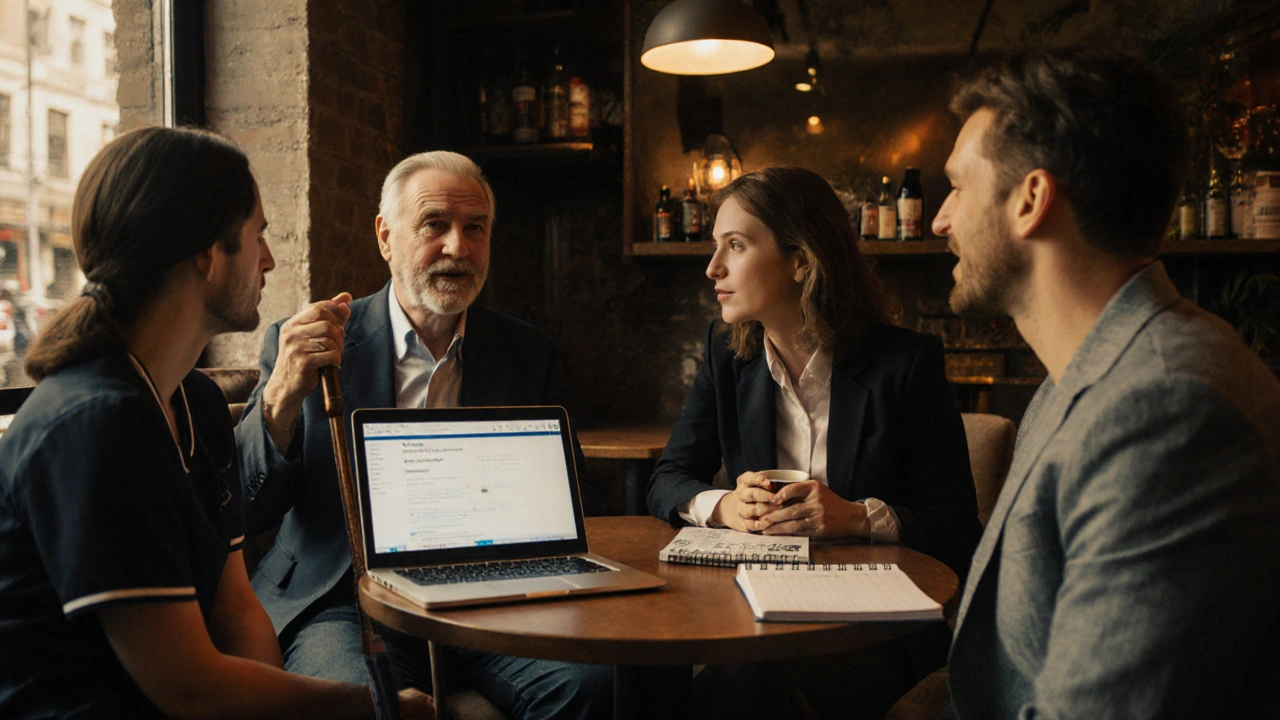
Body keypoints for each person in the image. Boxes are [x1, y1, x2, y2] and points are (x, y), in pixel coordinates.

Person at [0, 127, 432, 718]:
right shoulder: (96, 424)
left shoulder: (195, 401)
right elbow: (190, 688)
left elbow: (235, 610)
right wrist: (374, 708)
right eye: (257, 236)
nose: (270, 260)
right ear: (207, 255)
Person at [934, 47, 1280, 719]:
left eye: (957, 186)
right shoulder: (1078, 380)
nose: (942, 218)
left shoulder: (1169, 408)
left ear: (1030, 199)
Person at [236, 151, 608, 719]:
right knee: (367, 706)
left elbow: (572, 492)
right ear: (386, 237)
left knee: (598, 686)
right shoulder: (308, 344)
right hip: (345, 600)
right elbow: (244, 506)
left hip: (493, 596)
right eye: (435, 225)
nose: (458, 247)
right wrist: (282, 396)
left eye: (475, 229)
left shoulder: (528, 352)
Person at [648, 165, 983, 719]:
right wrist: (725, 504)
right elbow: (668, 478)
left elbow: (957, 527)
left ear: (801, 261)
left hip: (871, 629)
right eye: (716, 247)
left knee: (747, 679)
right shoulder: (726, 355)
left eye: (735, 245)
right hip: (752, 610)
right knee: (705, 674)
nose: (713, 268)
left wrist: (856, 518)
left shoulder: (905, 364)